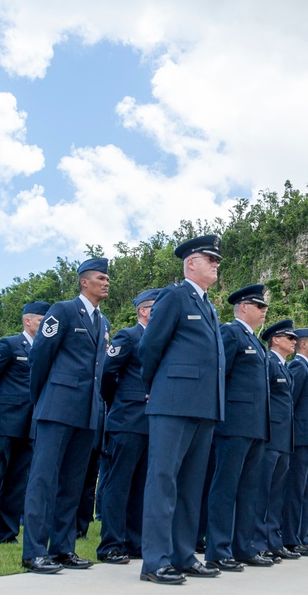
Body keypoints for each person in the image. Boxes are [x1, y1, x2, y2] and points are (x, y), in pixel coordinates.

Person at [138, 234, 225, 585]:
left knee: (191, 486)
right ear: (191, 263)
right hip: (173, 404)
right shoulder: (174, 297)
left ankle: (184, 555)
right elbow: (149, 349)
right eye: (211, 259)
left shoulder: (208, 306)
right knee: (163, 481)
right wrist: (158, 389)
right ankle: (155, 561)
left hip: (204, 407)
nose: (216, 264)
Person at [21, 259, 110, 574]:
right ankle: (33, 551)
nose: (106, 282)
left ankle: (62, 548)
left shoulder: (103, 321)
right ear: (84, 282)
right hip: (58, 406)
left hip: (87, 413)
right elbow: (40, 357)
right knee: (43, 479)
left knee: (72, 483)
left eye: (107, 278)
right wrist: (44, 398)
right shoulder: (63, 310)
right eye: (101, 277)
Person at [0, 300, 50, 546]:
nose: (45, 324)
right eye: (41, 320)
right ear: (28, 321)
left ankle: (8, 533)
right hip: (4, 421)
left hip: (29, 424)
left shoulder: (46, 348)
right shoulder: (9, 344)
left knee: (17, 481)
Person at [205, 284, 272, 571]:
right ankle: (218, 550)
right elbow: (218, 376)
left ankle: (244, 547)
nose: (264, 311)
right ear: (243, 307)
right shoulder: (230, 333)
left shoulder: (256, 342)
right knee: (225, 487)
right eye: (259, 306)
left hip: (255, 426)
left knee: (248, 490)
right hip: (233, 424)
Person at [96, 288, 159, 565]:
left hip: (151, 423)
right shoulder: (128, 336)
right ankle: (111, 544)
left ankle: (135, 543)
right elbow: (108, 373)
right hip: (127, 420)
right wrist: (120, 401)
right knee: (118, 484)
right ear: (144, 310)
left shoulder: (160, 340)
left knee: (141, 486)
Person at [253, 319, 297, 562]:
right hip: (270, 436)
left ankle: (273, 539)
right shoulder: (269, 363)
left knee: (276, 493)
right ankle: (258, 541)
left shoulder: (285, 367)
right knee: (263, 491)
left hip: (283, 439)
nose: (293, 342)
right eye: (289, 338)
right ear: (276, 340)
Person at [281, 327, 308, 557]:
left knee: (307, 490)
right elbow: (291, 403)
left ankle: (302, 535)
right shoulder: (297, 367)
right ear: (303, 344)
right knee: (296, 490)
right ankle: (290, 536)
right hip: (300, 438)